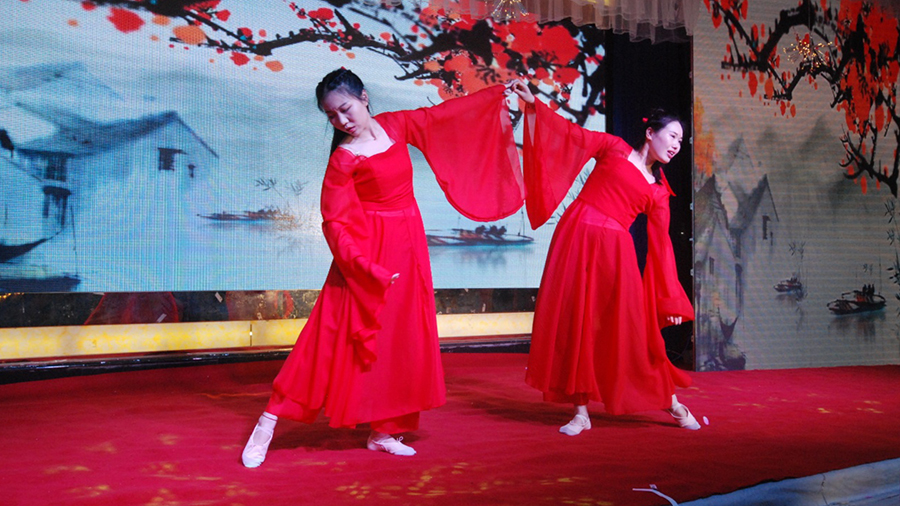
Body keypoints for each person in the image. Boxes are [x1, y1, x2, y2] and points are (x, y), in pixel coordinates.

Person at [241, 69, 524, 467]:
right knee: (327, 335)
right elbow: (334, 222)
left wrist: (497, 95)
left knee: (400, 337)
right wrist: (360, 265)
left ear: (364, 97)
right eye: (332, 116)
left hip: (408, 245)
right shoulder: (344, 158)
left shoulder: (397, 125)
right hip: (366, 251)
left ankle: (384, 431)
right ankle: (267, 424)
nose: (342, 120)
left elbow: (445, 115)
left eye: (345, 109)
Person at [509, 81, 700, 435]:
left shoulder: (659, 192)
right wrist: (534, 103)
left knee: (632, 332)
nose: (676, 145)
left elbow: (661, 247)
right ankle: (581, 413)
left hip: (615, 253)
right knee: (576, 322)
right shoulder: (613, 148)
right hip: (576, 236)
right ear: (650, 132)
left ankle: (671, 402)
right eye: (672, 136)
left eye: (680, 140)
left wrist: (670, 298)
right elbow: (571, 135)